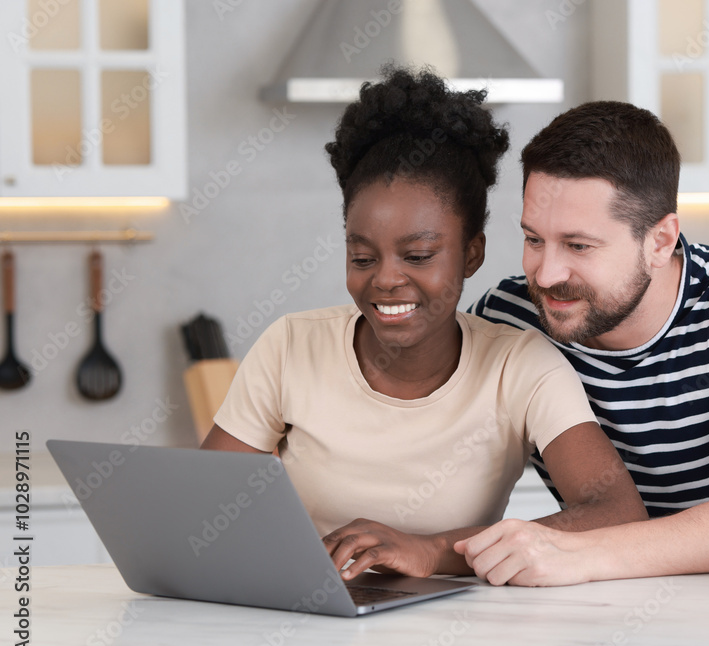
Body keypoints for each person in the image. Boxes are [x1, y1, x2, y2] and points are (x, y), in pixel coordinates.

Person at [200, 69, 646, 581]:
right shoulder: (291, 345)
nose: (386, 280)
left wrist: (431, 552)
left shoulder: (521, 366)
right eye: (362, 257)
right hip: (305, 617)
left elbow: (614, 513)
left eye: (418, 255)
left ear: (471, 253)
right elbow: (207, 507)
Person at [455, 101, 709, 586]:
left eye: (578, 246)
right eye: (534, 240)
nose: (547, 274)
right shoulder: (508, 317)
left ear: (660, 241)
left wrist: (581, 553)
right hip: (605, 608)